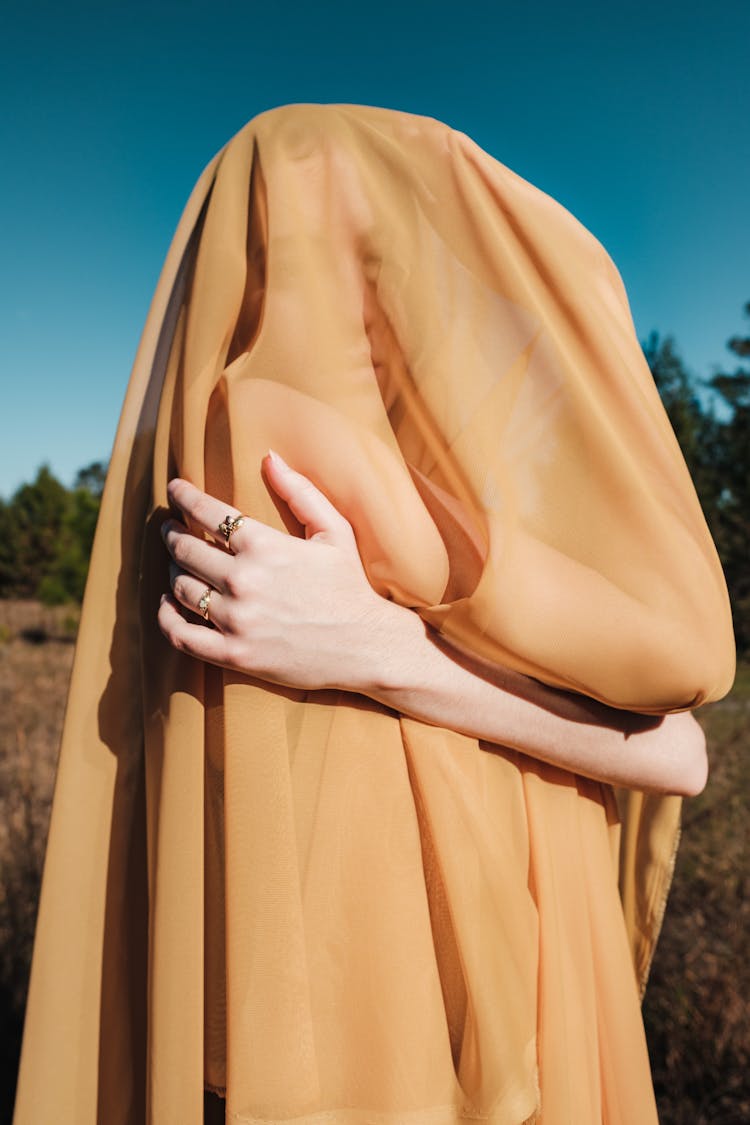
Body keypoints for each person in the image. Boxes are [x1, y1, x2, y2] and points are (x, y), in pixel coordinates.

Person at [13, 104, 735, 1125]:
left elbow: (679, 752)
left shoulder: (471, 528)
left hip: (501, 1012)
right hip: (306, 1021)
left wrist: (380, 649)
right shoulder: (246, 499)